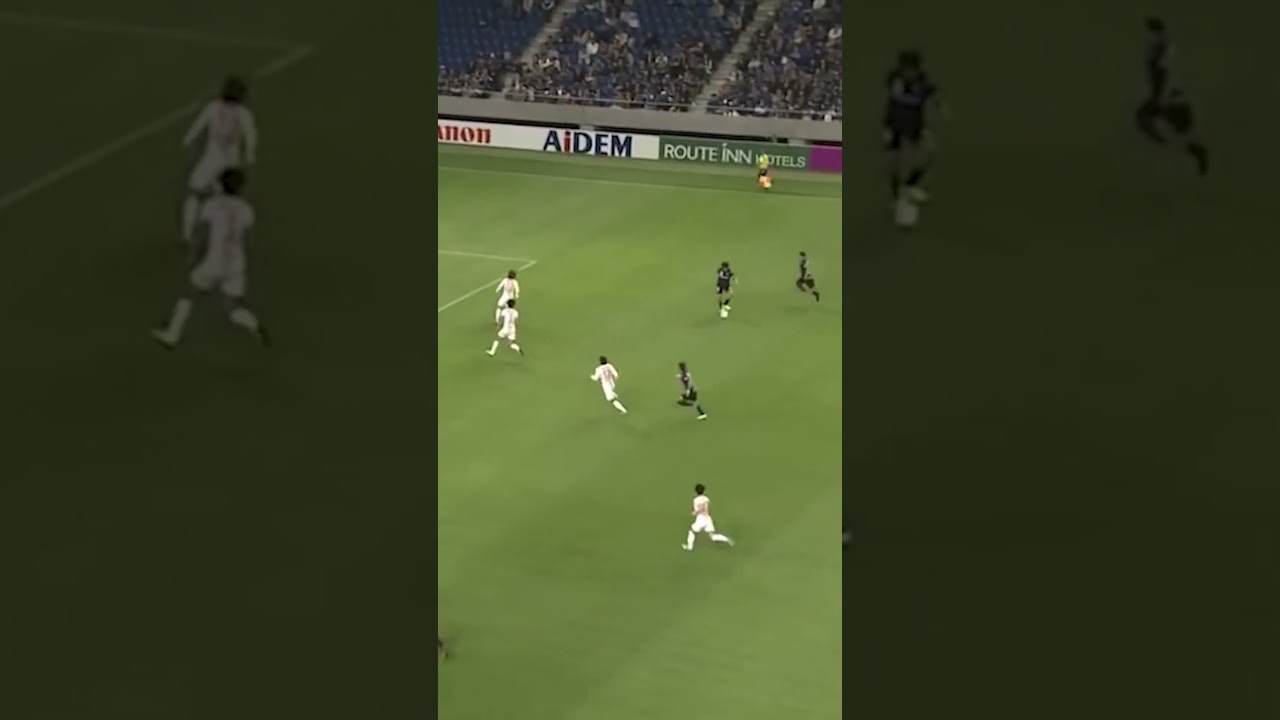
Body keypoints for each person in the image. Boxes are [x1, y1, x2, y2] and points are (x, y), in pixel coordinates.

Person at [181, 76, 257, 244]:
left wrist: (188, 138)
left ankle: (187, 232)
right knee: (225, 200)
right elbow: (250, 135)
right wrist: (250, 154)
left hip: (211, 160)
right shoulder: (243, 113)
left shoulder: (213, 107)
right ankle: (226, 234)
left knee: (194, 193)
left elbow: (199, 124)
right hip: (231, 164)